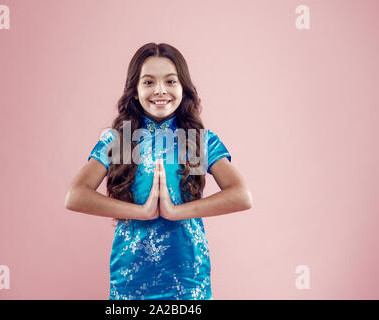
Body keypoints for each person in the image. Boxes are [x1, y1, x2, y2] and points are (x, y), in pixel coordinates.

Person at [65, 43, 253, 300]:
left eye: (170, 81)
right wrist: (141, 212)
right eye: (149, 82)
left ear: (183, 88)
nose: (160, 90)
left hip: (188, 280)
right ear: (134, 91)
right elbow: (75, 196)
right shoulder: (121, 140)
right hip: (131, 280)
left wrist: (175, 212)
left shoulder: (196, 140)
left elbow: (242, 195)